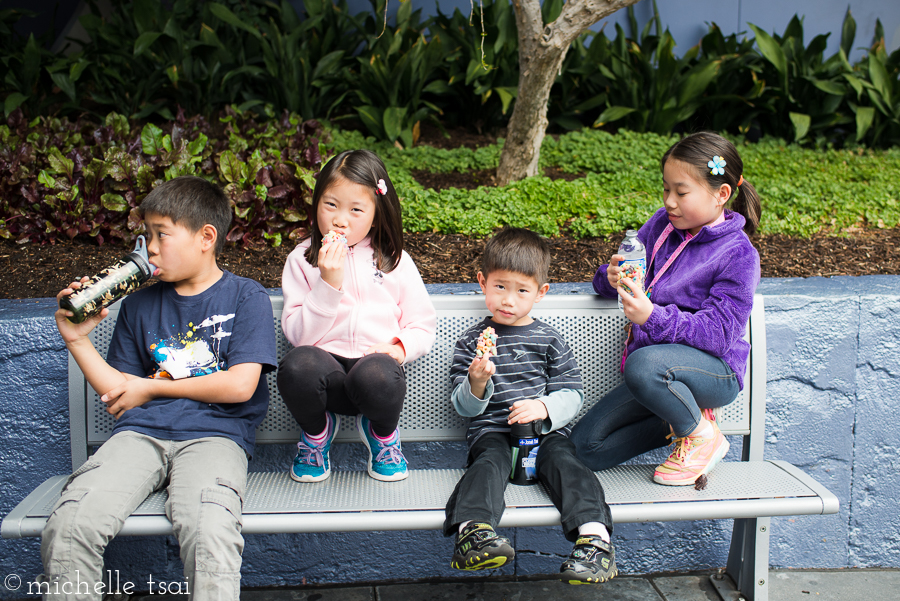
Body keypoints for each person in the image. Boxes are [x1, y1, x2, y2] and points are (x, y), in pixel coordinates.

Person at [43, 176, 278, 600]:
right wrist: (76, 339)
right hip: (139, 436)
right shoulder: (138, 304)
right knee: (71, 523)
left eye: (161, 235)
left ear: (206, 237)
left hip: (214, 438)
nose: (149, 248)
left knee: (210, 530)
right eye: (145, 235)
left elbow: (241, 386)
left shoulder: (247, 297)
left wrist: (151, 389)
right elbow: (119, 391)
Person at [571, 131, 762, 486]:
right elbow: (620, 278)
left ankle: (703, 435)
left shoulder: (738, 254)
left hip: (712, 372)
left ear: (721, 195)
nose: (670, 201)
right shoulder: (662, 224)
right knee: (583, 449)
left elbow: (719, 336)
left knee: (645, 365)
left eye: (681, 192)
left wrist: (652, 318)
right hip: (659, 378)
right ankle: (683, 417)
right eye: (666, 189)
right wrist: (610, 277)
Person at [443, 228, 617, 585]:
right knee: (486, 464)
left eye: (522, 290)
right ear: (482, 282)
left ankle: (595, 540)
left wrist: (544, 407)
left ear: (541, 293)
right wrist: (476, 382)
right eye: (500, 287)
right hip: (492, 432)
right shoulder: (472, 342)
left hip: (544, 433)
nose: (509, 299)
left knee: (568, 465)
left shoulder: (549, 338)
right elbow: (465, 409)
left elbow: (572, 393)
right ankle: (473, 534)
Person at [278, 149, 436, 483]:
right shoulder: (302, 261)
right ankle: (317, 434)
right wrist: (328, 283)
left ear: (377, 215)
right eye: (331, 205)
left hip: (374, 371)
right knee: (296, 366)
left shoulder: (394, 260)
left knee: (379, 375)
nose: (340, 219)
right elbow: (299, 337)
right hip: (326, 374)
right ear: (316, 203)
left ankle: (381, 435)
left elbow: (422, 323)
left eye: (356, 210)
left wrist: (400, 347)